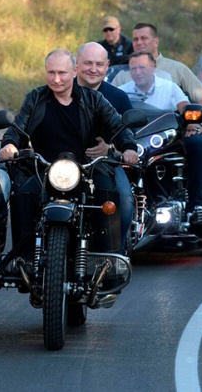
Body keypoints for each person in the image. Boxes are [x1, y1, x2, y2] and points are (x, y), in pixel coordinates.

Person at [0, 48, 139, 260]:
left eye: (62, 73)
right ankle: (22, 259)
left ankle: (108, 260)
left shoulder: (95, 99)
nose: (56, 79)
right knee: (23, 196)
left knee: (107, 196)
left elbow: (117, 126)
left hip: (88, 168)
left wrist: (128, 147)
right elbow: (18, 127)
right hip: (46, 169)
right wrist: (10, 144)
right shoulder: (36, 98)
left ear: (74, 72)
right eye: (51, 73)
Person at [119, 51, 202, 224]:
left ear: (154, 67)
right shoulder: (122, 92)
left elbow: (184, 107)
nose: (138, 72)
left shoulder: (169, 87)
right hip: (134, 141)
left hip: (164, 141)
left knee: (198, 142)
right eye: (133, 68)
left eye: (142, 67)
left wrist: (192, 123)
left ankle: (197, 205)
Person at [75, 42, 134, 250]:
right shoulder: (59, 90)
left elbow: (129, 141)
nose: (93, 69)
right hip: (62, 164)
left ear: (107, 65)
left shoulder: (119, 97)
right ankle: (32, 259)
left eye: (99, 64)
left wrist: (110, 149)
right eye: (88, 63)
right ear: (76, 64)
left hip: (107, 165)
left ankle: (115, 254)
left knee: (125, 200)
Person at [113, 23, 202, 108]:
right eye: (135, 39)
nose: (139, 43)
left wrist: (197, 125)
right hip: (132, 127)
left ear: (156, 42)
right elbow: (107, 102)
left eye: (144, 38)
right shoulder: (123, 74)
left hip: (170, 127)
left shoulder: (177, 68)